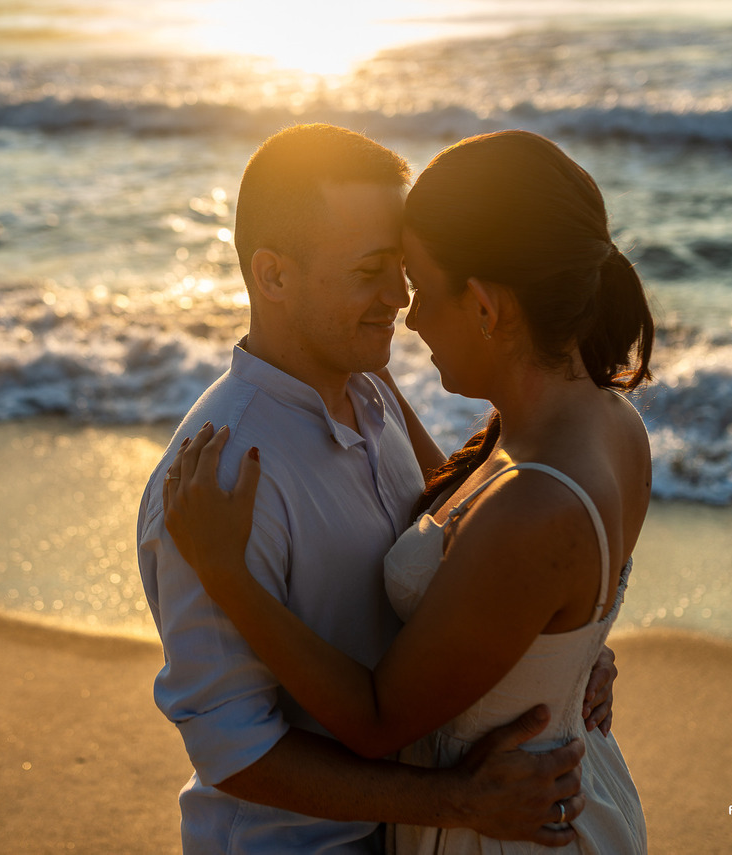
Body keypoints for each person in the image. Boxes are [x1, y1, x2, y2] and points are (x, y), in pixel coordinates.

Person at [162, 130, 652, 853]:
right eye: (375, 271)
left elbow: (389, 699)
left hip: (506, 825)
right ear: (273, 275)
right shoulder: (222, 475)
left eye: (412, 278)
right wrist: (556, 654)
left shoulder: (522, 487)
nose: (404, 308)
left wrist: (560, 654)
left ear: (485, 307)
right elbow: (233, 745)